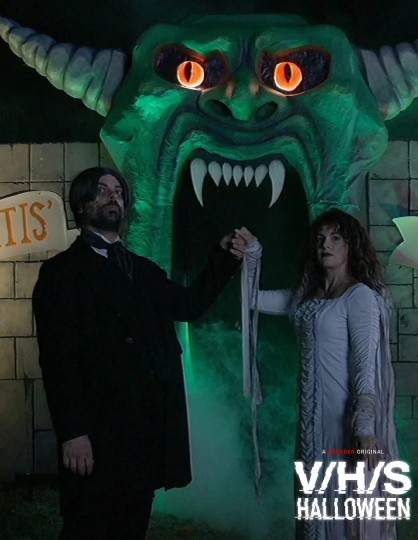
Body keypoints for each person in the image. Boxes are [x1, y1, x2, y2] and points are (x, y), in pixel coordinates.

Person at [32, 167, 245, 540]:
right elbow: (57, 359)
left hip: (144, 431)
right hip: (97, 430)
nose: (113, 196)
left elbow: (189, 304)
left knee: (132, 528)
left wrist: (224, 257)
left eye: (118, 191)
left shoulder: (144, 271)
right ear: (80, 205)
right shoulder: (61, 272)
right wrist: (73, 432)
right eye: (101, 190)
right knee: (87, 528)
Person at [236, 209, 398, 540]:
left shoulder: (360, 297)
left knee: (344, 511)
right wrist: (253, 253)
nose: (326, 245)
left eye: (336, 238)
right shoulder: (306, 297)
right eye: (321, 239)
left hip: (344, 424)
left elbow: (365, 367)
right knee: (314, 509)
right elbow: (250, 299)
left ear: (351, 245)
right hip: (311, 423)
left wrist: (364, 429)